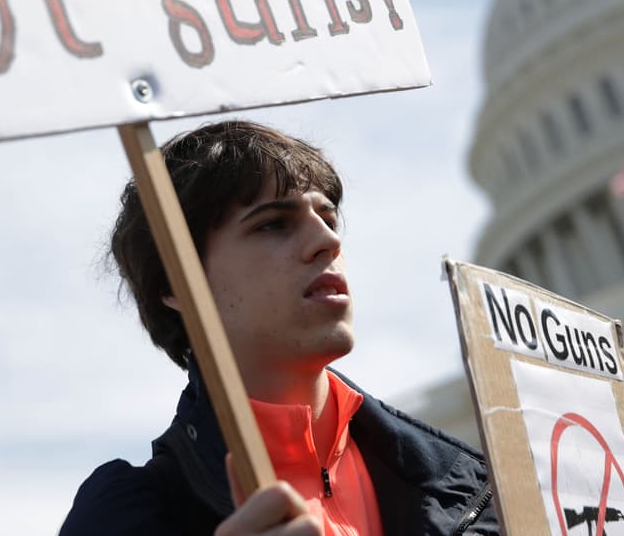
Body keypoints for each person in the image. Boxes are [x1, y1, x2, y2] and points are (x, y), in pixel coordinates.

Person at [60, 120, 498, 535]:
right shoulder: (131, 514)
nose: (328, 241)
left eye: (328, 217)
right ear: (174, 283)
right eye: (272, 224)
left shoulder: (482, 487)